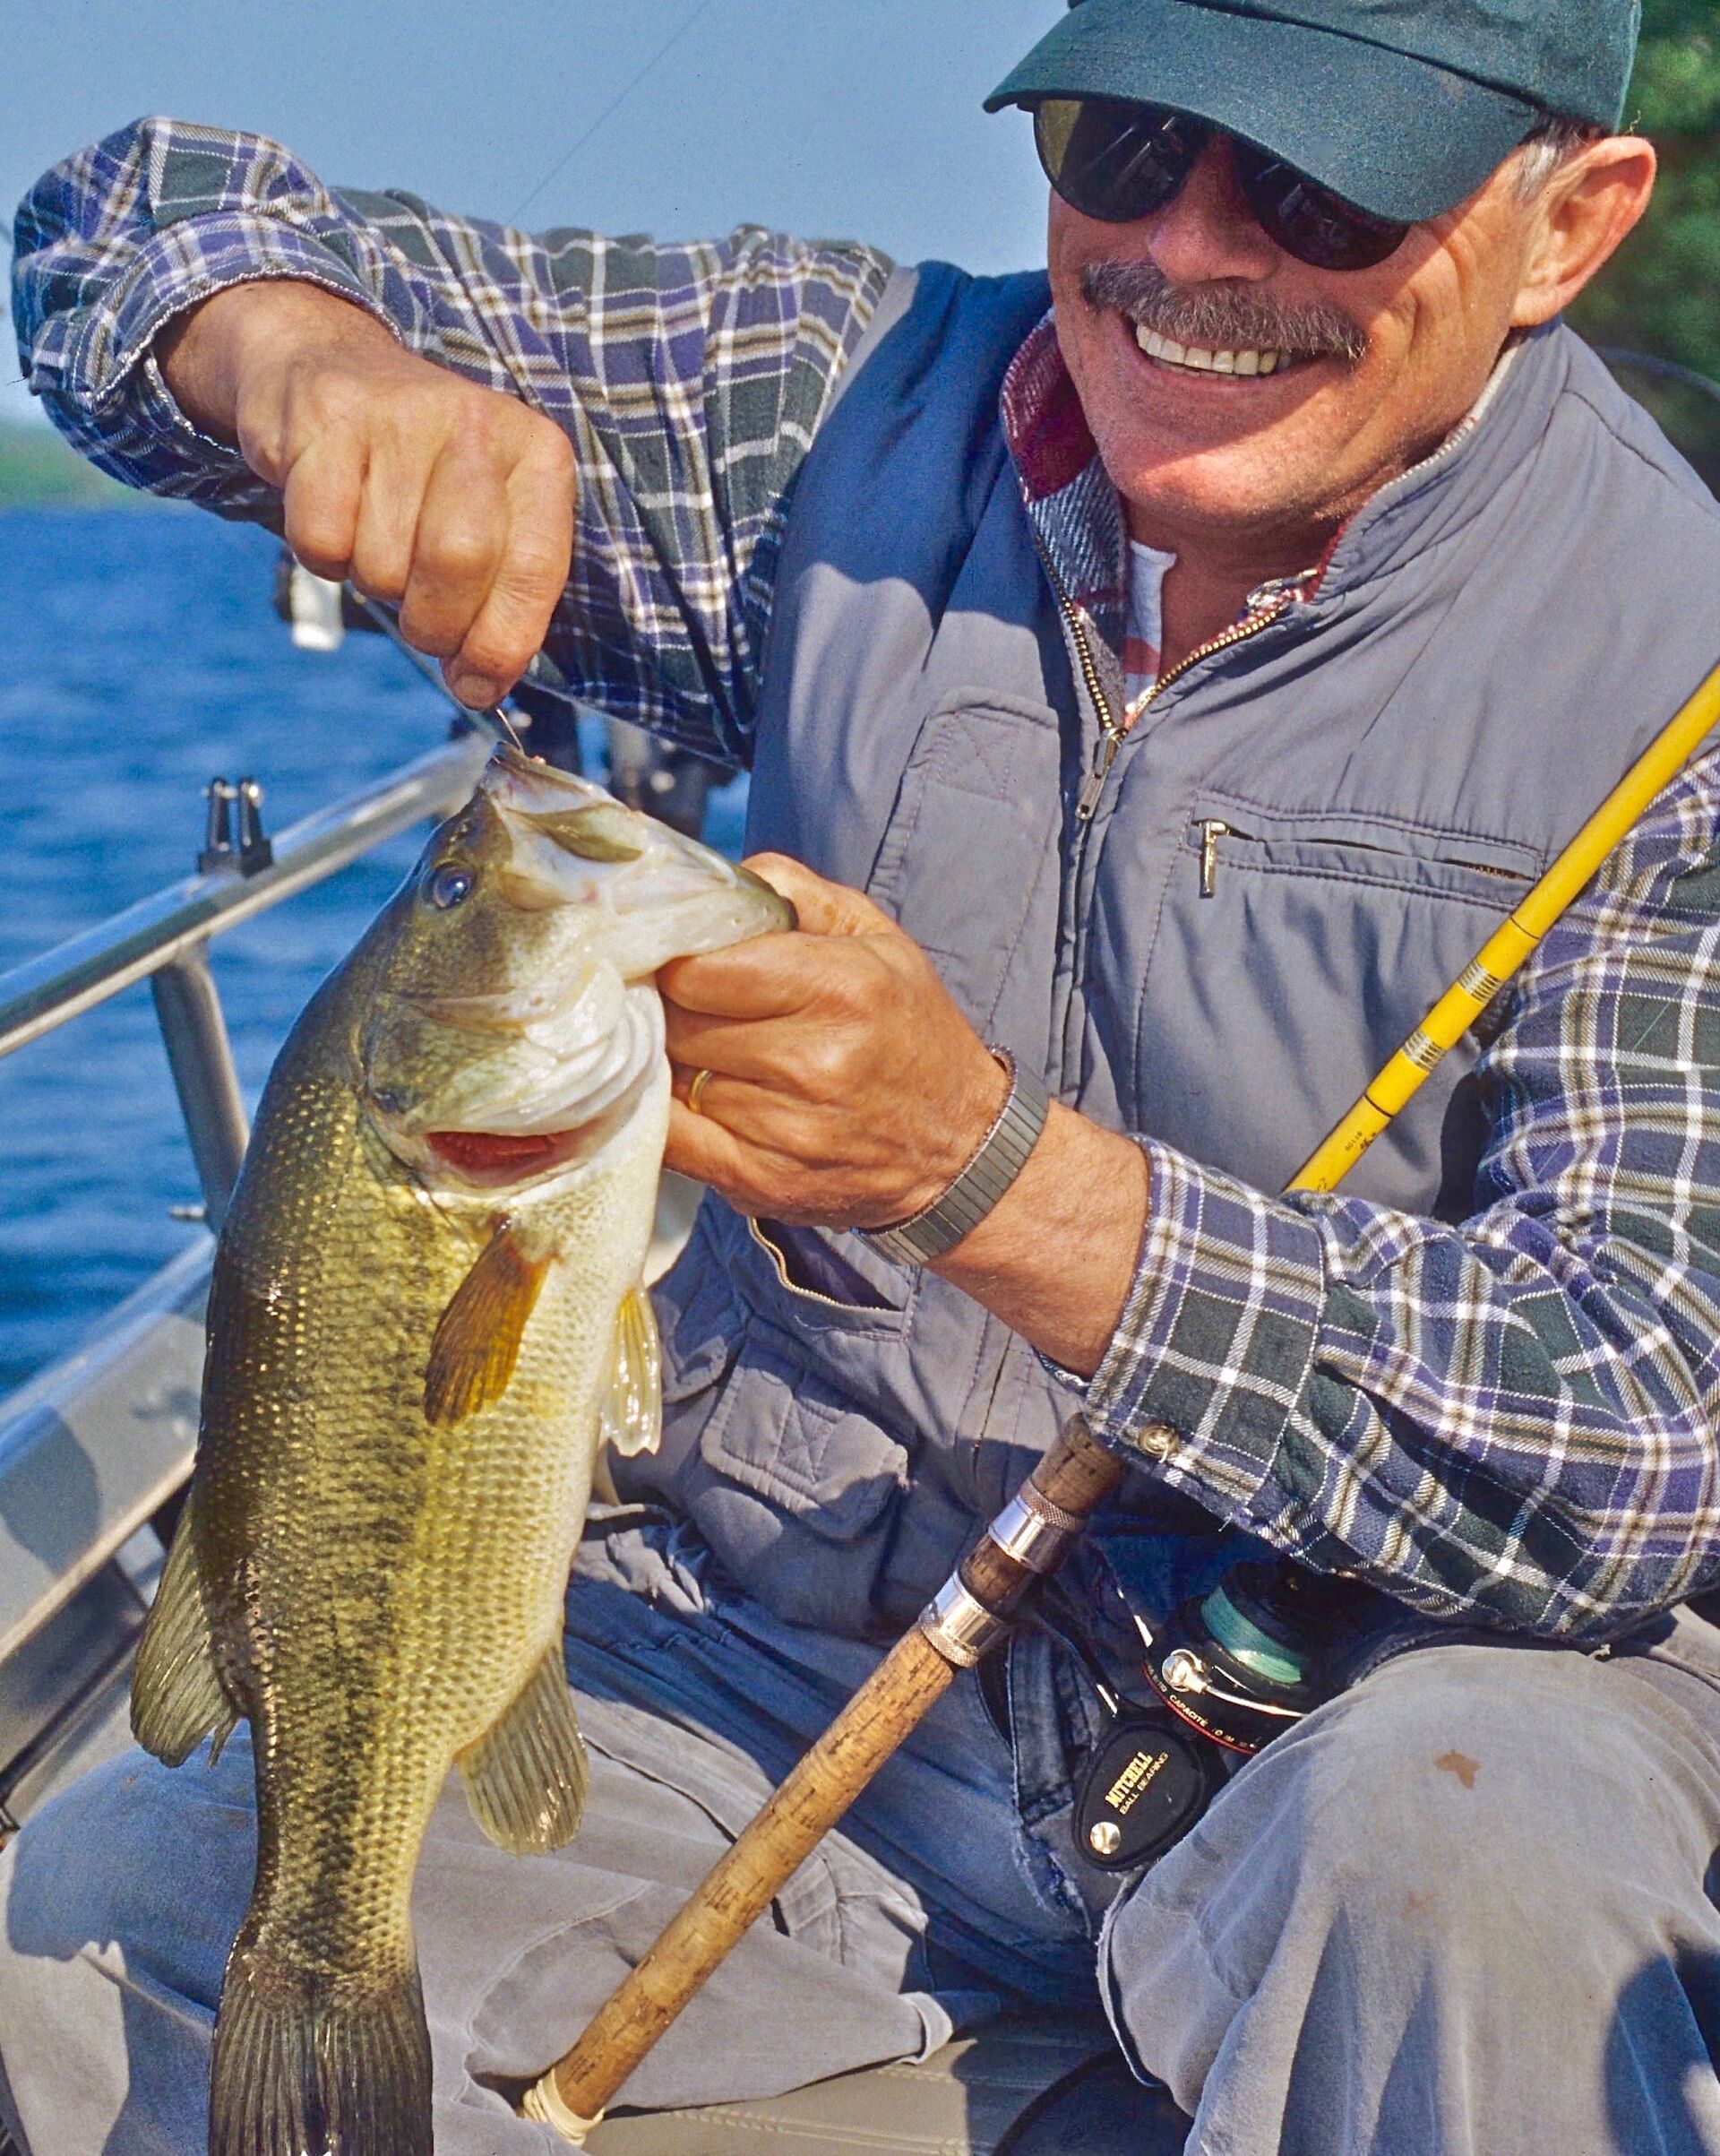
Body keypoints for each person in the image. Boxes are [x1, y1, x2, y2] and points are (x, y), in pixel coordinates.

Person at [9, 0, 1720, 2149]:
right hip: (782, 1653)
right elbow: (112, 216)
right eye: (1125, 140)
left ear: (1571, 220)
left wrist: (993, 1183)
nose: (1186, 245)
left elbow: (1636, 1433)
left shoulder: (1689, 658)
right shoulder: (830, 407)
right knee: (124, 1887)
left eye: (1320, 181)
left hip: (1351, 1722)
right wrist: (300, 357)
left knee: (1477, 1853)